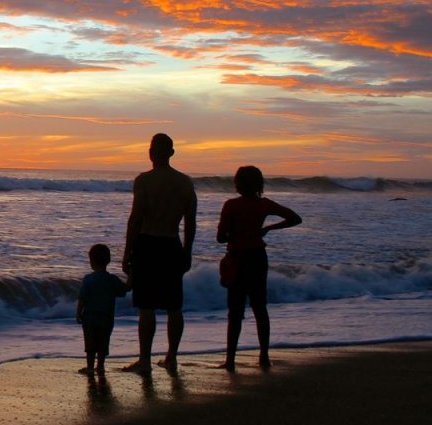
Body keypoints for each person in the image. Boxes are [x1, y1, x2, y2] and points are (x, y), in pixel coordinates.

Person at [121, 133, 197, 373]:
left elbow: (136, 219)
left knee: (147, 306)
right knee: (174, 306)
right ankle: (171, 357)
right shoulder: (185, 182)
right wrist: (187, 251)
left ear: (151, 152)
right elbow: (191, 222)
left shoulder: (144, 180)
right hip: (171, 243)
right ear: (171, 153)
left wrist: (127, 252)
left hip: (147, 244)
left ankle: (145, 359)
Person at [216, 165, 302, 371]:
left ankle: (230, 360)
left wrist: (234, 234)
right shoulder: (263, 205)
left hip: (237, 258)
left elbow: (220, 237)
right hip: (257, 258)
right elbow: (295, 218)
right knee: (260, 308)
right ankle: (264, 356)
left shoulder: (231, 205)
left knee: (235, 311)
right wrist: (267, 228)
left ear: (238, 183)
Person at [76, 243, 130, 377]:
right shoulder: (112, 280)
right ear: (108, 260)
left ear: (91, 261)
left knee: (90, 343)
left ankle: (89, 367)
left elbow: (82, 297)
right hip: (106, 318)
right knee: (103, 343)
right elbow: (124, 290)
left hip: (90, 317)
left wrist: (78, 312)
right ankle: (100, 366)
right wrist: (132, 276)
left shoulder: (88, 279)